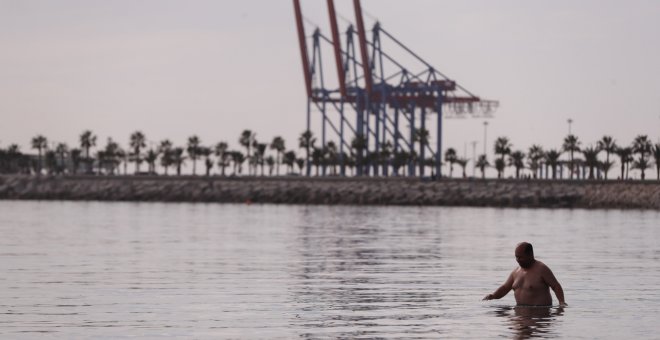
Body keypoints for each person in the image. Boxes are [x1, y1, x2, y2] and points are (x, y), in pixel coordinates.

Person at [483, 242, 566, 306]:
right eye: (516, 257)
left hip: (540, 316)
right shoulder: (516, 272)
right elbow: (505, 288)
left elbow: (555, 286)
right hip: (520, 313)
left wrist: (561, 303)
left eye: (520, 257)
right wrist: (493, 296)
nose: (517, 260)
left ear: (530, 254)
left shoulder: (542, 269)